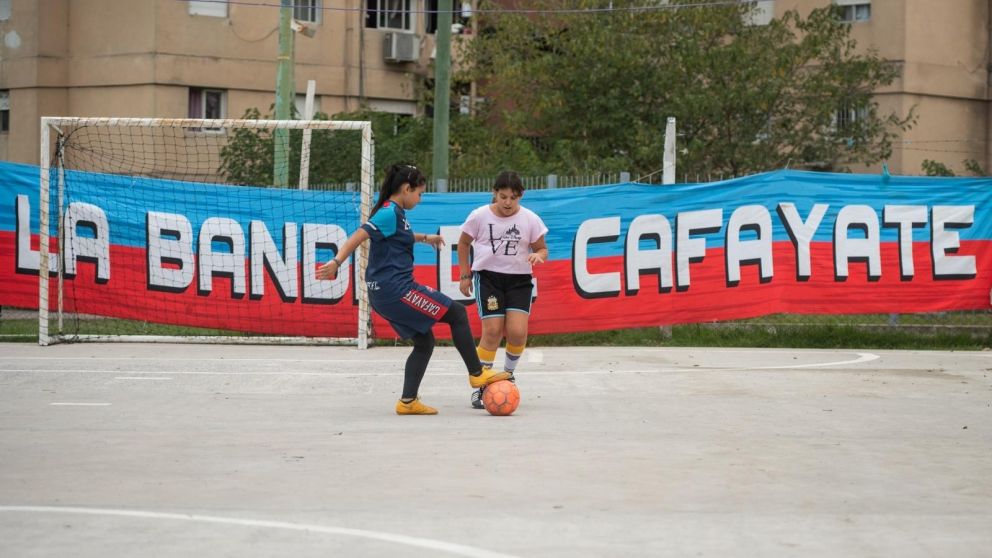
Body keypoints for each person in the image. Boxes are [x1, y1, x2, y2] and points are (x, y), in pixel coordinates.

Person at [317, 163, 510, 415]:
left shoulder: (396, 213)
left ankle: (407, 401)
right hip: (396, 291)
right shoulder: (388, 212)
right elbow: (359, 235)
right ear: (406, 189)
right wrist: (336, 261)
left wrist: (425, 237)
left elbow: (400, 235)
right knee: (457, 314)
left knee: (424, 341)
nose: (419, 199)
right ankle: (477, 373)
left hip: (384, 293)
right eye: (419, 194)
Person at [457, 171, 549, 409]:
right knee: (492, 331)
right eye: (503, 196)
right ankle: (482, 384)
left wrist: (537, 255)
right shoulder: (479, 216)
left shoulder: (530, 219)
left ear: (521, 196)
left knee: (517, 332)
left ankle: (507, 375)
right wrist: (465, 275)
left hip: (519, 280)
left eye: (513, 197)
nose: (508, 202)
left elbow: (542, 249)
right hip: (489, 279)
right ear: (494, 193)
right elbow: (464, 243)